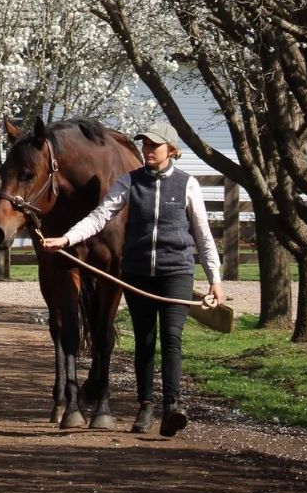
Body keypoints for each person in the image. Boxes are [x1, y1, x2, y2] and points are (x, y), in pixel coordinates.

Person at [42, 122, 224, 437]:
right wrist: (67, 239)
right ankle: (146, 406)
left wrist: (215, 280)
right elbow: (99, 217)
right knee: (145, 339)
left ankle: (172, 404)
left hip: (176, 271)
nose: (147, 150)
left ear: (171, 150)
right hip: (139, 272)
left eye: (154, 145)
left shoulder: (187, 185)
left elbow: (203, 235)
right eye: (145, 145)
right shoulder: (129, 181)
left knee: (172, 337)